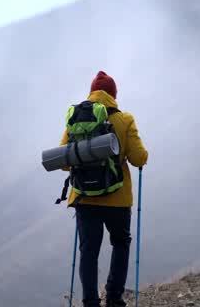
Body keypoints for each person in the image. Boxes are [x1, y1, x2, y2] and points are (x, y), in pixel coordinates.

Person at [61, 71, 148, 307]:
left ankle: (90, 302)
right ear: (114, 94)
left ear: (92, 92)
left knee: (88, 251)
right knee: (120, 243)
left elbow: (64, 162)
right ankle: (114, 299)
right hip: (117, 198)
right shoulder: (125, 119)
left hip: (84, 198)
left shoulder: (76, 119)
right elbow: (138, 159)